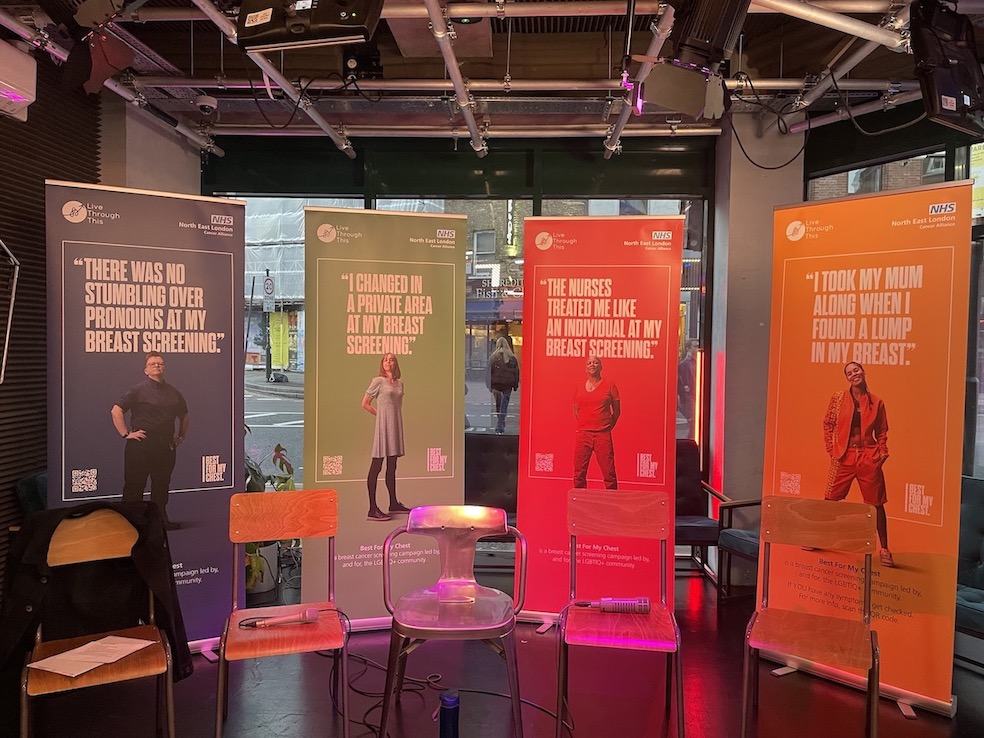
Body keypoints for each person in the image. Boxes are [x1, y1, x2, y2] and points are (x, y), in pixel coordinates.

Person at [822, 361, 894, 567]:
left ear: (863, 371)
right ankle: (815, 537)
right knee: (829, 498)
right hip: (844, 456)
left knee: (877, 504)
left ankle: (885, 549)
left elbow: (882, 431)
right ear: (847, 378)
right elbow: (828, 424)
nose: (854, 374)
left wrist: (882, 452)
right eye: (849, 372)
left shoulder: (877, 402)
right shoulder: (838, 398)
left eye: (857, 370)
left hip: (867, 457)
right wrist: (831, 449)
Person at [111, 351, 189, 531]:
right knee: (134, 486)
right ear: (146, 370)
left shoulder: (174, 393)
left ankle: (161, 520)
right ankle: (130, 524)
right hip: (141, 446)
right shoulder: (136, 390)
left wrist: (181, 435)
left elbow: (185, 415)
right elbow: (116, 411)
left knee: (161, 486)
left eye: (160, 363)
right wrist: (125, 434)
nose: (157, 366)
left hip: (165, 447)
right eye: (153, 364)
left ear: (165, 368)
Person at [361, 353, 410, 521]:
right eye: (385, 359)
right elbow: (365, 403)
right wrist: (380, 416)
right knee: (376, 466)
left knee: (392, 466)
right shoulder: (378, 381)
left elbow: (398, 406)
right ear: (382, 364)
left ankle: (393, 503)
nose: (388, 361)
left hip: (395, 426)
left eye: (391, 359)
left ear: (395, 363)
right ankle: (372, 508)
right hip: (383, 427)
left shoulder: (400, 384)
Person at [572, 355, 620, 490]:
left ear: (601, 367)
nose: (592, 364)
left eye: (595, 362)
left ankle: (611, 502)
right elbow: (576, 411)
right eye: (589, 363)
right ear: (586, 368)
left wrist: (605, 426)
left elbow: (617, 412)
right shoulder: (579, 387)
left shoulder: (610, 385)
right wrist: (586, 424)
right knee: (578, 473)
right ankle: (579, 501)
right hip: (583, 435)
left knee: (609, 473)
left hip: (602, 435)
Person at [486, 336, 520, 434]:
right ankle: (500, 424)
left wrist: (489, 385)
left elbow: (488, 372)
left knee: (498, 405)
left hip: (496, 385)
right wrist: (515, 385)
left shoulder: (493, 357)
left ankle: (500, 423)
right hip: (508, 385)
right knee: (504, 405)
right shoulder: (512, 357)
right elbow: (516, 372)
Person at [678, 339, 699, 425]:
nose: (697, 349)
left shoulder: (697, 362)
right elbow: (683, 385)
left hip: (695, 399)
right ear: (688, 349)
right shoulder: (685, 364)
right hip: (690, 401)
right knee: (693, 426)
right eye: (695, 346)